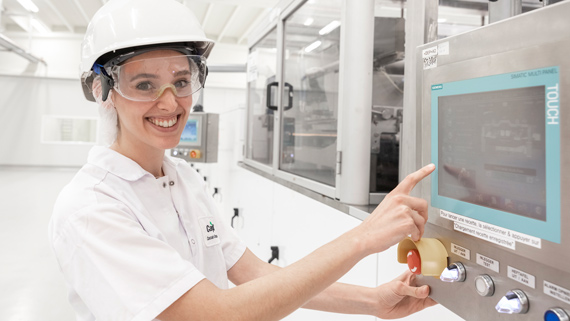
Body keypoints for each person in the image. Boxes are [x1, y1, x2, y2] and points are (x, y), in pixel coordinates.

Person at [48, 0, 437, 320]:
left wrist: (374, 301)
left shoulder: (181, 178)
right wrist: (362, 239)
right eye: (144, 84)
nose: (170, 102)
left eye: (181, 81)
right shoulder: (91, 209)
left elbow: (255, 274)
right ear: (103, 90)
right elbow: (216, 314)